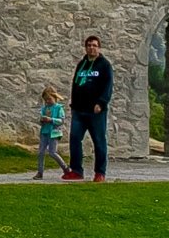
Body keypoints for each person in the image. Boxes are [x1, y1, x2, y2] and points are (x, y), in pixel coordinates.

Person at [64, 34, 113, 181]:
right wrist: (73, 104)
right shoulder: (81, 64)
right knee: (74, 139)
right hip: (79, 110)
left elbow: (108, 86)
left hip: (96, 111)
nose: (91, 48)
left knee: (99, 141)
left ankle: (100, 173)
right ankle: (76, 171)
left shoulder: (104, 65)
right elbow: (76, 84)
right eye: (89, 45)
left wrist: (101, 103)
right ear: (86, 48)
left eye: (94, 45)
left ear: (99, 48)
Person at [35, 85, 68, 178]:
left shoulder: (58, 108)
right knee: (41, 152)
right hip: (44, 132)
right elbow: (40, 118)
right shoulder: (44, 108)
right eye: (45, 100)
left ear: (55, 97)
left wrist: (51, 120)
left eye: (49, 99)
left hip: (54, 132)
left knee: (52, 152)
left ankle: (65, 168)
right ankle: (40, 172)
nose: (47, 101)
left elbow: (61, 120)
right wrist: (42, 120)